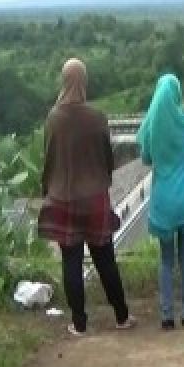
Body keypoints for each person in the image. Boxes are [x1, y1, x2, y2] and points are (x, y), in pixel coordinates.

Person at [37, 59, 136, 337]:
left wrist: (47, 189)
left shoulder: (54, 118)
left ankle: (79, 323)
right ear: (84, 81)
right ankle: (121, 315)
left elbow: (49, 158)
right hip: (94, 198)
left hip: (63, 198)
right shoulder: (97, 117)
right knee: (105, 258)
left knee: (71, 262)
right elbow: (108, 158)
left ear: (64, 80)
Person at [138, 73, 184, 329]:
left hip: (164, 201)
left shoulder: (151, 127)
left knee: (167, 261)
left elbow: (146, 158)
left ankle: (167, 316)